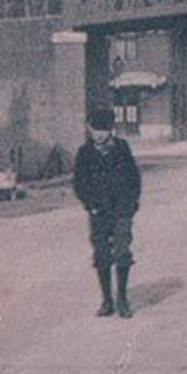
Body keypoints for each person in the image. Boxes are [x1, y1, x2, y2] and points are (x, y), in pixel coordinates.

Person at [73, 108, 142, 319]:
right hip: (98, 211)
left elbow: (134, 178)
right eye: (95, 130)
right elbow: (79, 183)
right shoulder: (84, 152)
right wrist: (90, 204)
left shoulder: (121, 148)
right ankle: (107, 300)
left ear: (111, 130)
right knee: (101, 254)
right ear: (89, 129)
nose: (99, 134)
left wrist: (130, 205)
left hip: (121, 210)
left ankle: (121, 299)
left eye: (104, 130)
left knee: (121, 251)